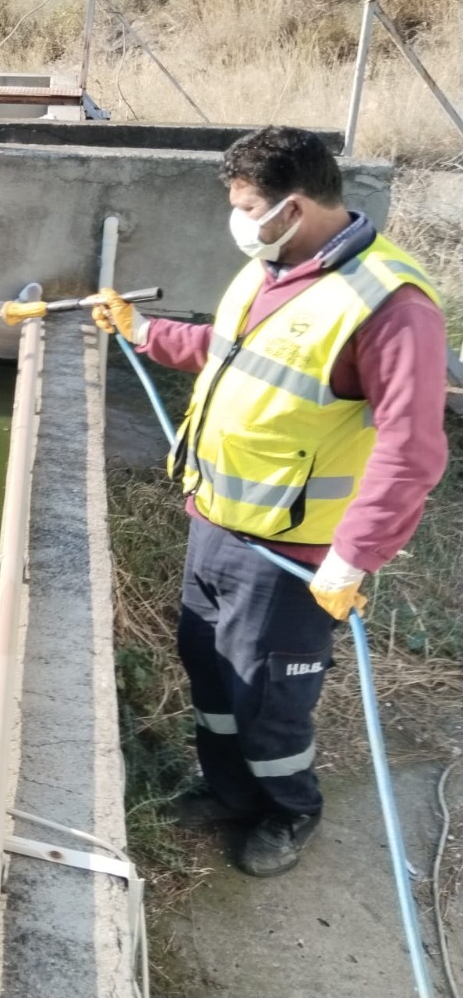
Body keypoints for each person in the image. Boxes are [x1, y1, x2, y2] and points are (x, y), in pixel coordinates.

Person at [93, 126, 450, 877]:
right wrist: (143, 331)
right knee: (211, 672)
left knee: (266, 696)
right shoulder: (269, 269)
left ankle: (290, 810)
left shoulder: (389, 304)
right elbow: (225, 353)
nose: (239, 219)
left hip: (295, 555)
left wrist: (353, 557)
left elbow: (410, 447)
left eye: (247, 205)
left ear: (292, 208)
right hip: (217, 524)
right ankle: (228, 790)